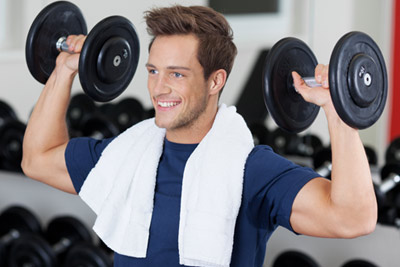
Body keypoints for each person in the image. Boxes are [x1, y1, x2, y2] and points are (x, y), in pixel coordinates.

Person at [22, 4, 377, 267]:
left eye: (176, 75)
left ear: (215, 81)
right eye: (153, 70)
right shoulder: (126, 156)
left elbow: (353, 217)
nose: (159, 88)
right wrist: (65, 69)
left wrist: (338, 110)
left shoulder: (250, 171)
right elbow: (38, 158)